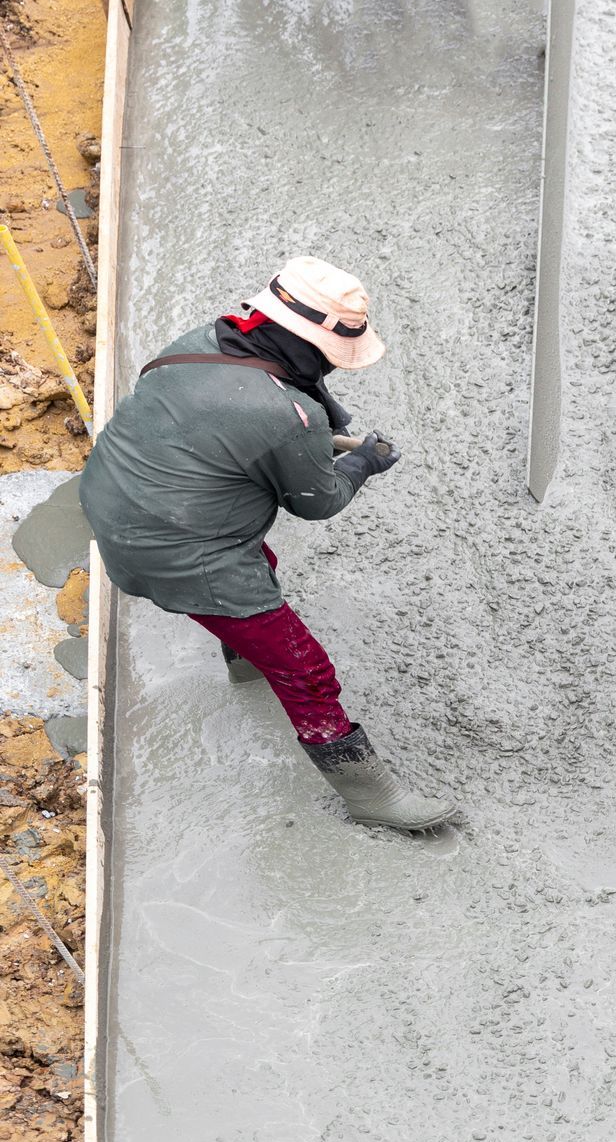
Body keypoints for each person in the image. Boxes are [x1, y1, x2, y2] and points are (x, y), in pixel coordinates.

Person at [78, 256, 452, 832]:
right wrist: (362, 463)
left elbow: (219, 427)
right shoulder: (287, 414)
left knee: (261, 560)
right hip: (178, 554)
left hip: (115, 505)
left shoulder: (199, 343)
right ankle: (370, 797)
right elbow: (315, 502)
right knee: (305, 670)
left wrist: (310, 436)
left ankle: (244, 660)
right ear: (309, 346)